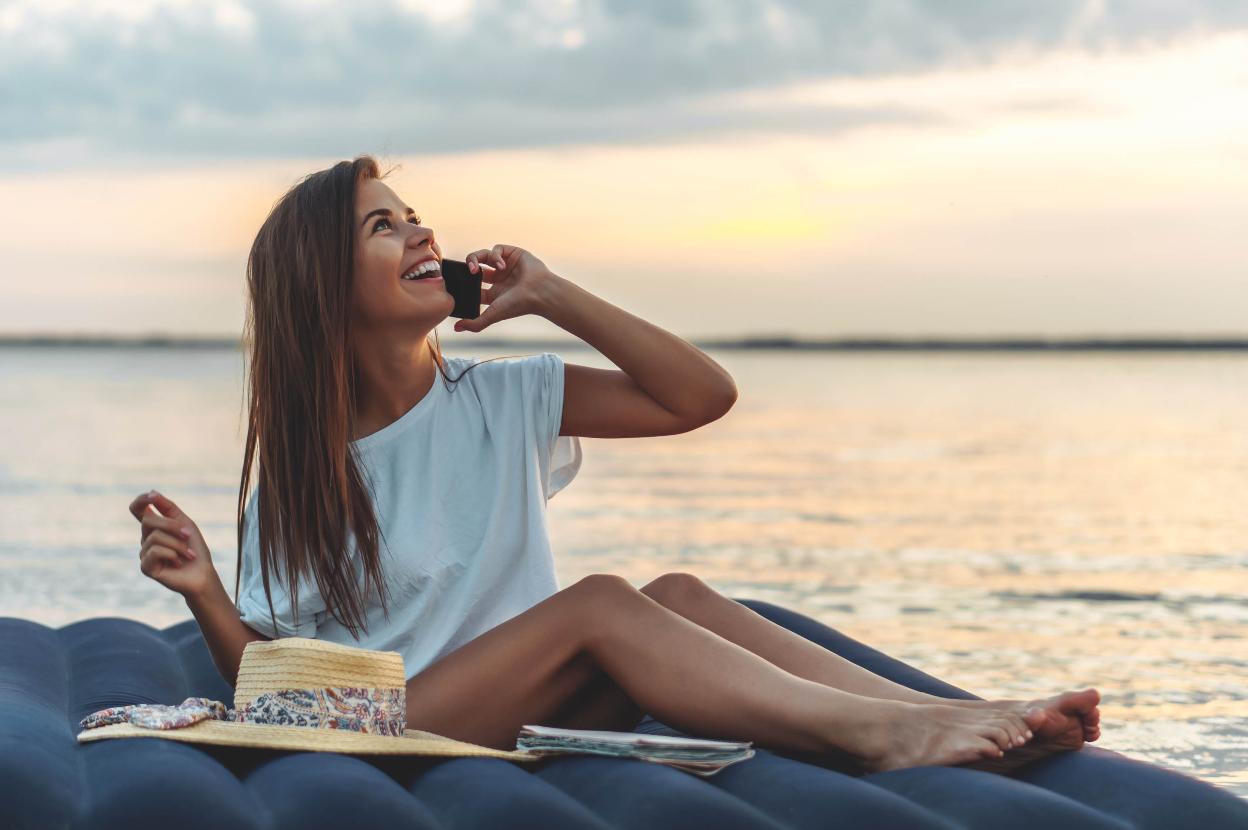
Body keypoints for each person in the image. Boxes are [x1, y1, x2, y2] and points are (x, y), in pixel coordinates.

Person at [127, 155, 1100, 774]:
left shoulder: (506, 396)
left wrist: (553, 292)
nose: (422, 229)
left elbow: (699, 396)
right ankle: (882, 737)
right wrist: (203, 587)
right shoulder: (303, 471)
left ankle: (949, 717)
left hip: (537, 693)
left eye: (415, 212)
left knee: (671, 589)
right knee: (599, 599)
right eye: (383, 226)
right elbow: (267, 682)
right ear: (321, 291)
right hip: (394, 723)